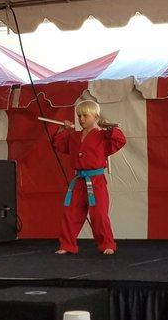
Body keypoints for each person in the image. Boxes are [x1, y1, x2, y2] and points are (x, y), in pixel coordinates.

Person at [53, 100, 126, 255]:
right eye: (79, 115)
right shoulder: (73, 136)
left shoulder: (102, 135)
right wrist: (62, 129)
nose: (81, 119)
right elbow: (59, 145)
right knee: (70, 212)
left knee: (99, 214)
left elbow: (120, 140)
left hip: (96, 181)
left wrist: (110, 128)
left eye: (85, 115)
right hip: (78, 181)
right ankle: (67, 245)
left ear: (95, 117)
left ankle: (107, 244)